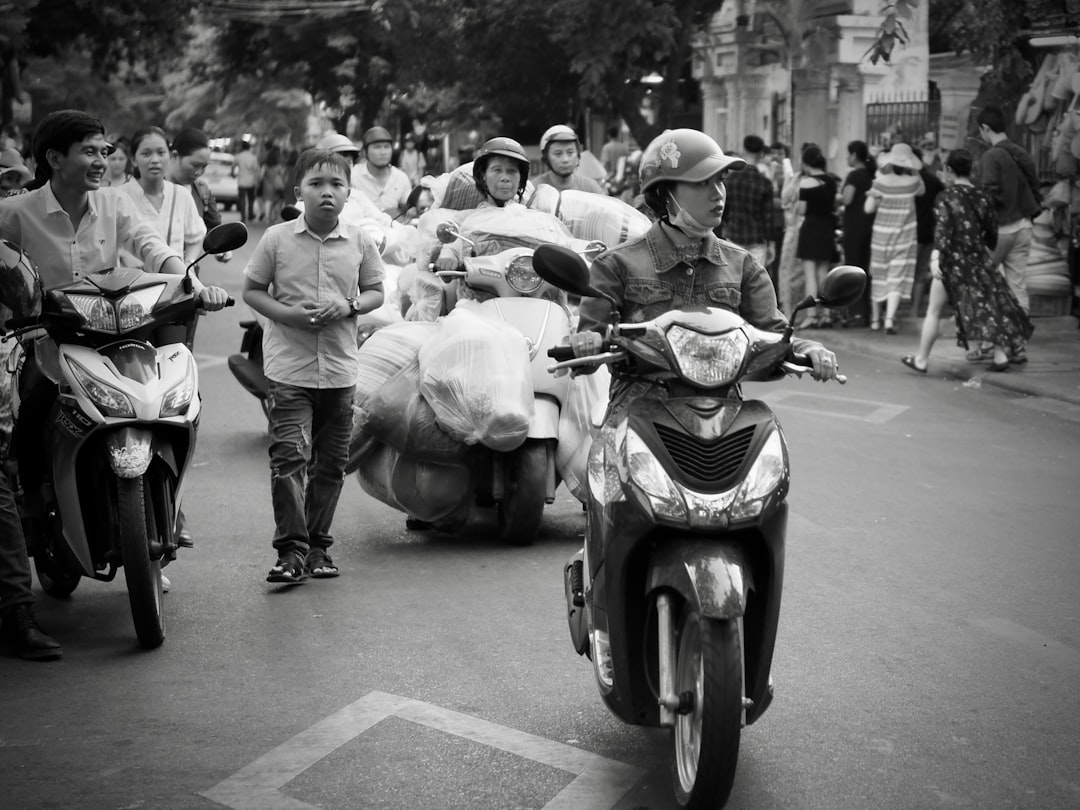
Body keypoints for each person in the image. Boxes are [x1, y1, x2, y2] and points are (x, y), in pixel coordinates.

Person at [0, 109, 229, 632]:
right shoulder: (14, 212)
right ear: (55, 159)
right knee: (30, 415)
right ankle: (33, 509)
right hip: (47, 343)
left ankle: (168, 499)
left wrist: (189, 284)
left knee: (174, 398)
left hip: (116, 334)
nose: (102, 160)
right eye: (90, 151)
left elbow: (154, 248)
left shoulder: (114, 204)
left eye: (105, 151)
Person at [571, 128, 839, 379]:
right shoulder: (615, 265)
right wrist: (586, 343)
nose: (718, 194)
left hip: (723, 410)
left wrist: (810, 349)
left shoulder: (743, 265)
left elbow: (776, 335)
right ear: (665, 193)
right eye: (701, 183)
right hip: (638, 409)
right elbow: (588, 343)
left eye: (720, 181)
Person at [242, 148, 385, 584]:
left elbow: (375, 292)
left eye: (336, 185)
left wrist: (349, 306)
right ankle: (290, 551)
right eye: (317, 184)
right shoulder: (276, 238)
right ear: (298, 192)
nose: (327, 193)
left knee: (330, 463)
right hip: (290, 371)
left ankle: (318, 546)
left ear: (348, 193)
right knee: (289, 458)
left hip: (340, 372)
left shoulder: (360, 241)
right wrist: (285, 314)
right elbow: (252, 289)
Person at [901, 148, 1033, 374]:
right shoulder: (983, 197)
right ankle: (1000, 356)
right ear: (971, 169)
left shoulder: (946, 197)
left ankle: (921, 359)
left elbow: (942, 230)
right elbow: (992, 233)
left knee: (933, 311)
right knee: (989, 307)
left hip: (951, 261)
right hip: (978, 260)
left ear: (949, 170)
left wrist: (935, 257)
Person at [973, 105, 1042, 364]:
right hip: (1024, 226)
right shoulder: (1020, 152)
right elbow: (1035, 188)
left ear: (985, 129)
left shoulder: (992, 156)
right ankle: (1018, 344)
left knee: (983, 284)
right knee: (1017, 286)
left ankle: (990, 344)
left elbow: (989, 193)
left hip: (1001, 229)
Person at [118, 126, 206, 268]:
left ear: (169, 156)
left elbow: (196, 237)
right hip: (134, 286)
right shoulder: (119, 198)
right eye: (146, 154)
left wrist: (188, 264)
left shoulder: (181, 195)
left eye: (161, 152)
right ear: (133, 159)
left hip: (176, 284)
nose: (155, 160)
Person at [865, 142, 924, 334]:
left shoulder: (880, 181)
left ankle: (875, 320)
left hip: (881, 237)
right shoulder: (913, 183)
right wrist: (914, 171)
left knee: (879, 276)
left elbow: (868, 208)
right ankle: (889, 320)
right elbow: (922, 190)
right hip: (904, 238)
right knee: (896, 278)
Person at [167, 127, 231, 263]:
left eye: (204, 166)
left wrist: (222, 247)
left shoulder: (202, 191)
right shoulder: (149, 189)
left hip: (187, 274)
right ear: (174, 156)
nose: (198, 172)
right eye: (194, 165)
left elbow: (215, 228)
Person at [794, 144, 839, 328]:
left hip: (811, 228)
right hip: (827, 227)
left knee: (810, 274)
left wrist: (797, 205)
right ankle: (827, 314)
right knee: (824, 274)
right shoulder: (831, 181)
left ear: (806, 163)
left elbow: (802, 210)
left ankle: (812, 315)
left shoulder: (806, 182)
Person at [721, 134, 776, 271]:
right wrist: (772, 244)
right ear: (761, 154)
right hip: (757, 238)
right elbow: (768, 217)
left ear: (744, 151)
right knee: (755, 282)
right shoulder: (764, 183)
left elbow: (724, 209)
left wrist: (725, 227)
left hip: (734, 235)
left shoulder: (730, 181)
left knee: (734, 278)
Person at [840, 140, 876, 326]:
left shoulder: (854, 175)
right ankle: (867, 313)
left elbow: (847, 199)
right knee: (866, 269)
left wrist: (837, 196)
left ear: (854, 155)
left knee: (853, 269)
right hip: (870, 226)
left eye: (848, 154)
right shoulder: (871, 174)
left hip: (854, 227)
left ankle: (856, 314)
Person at [910, 146, 945, 321]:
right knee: (921, 274)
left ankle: (892, 314)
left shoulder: (907, 181)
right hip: (929, 232)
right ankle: (914, 312)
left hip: (909, 234)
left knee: (906, 273)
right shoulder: (933, 181)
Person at [353, 126, 411, 220]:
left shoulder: (401, 177)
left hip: (394, 229)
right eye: (377, 147)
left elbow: (409, 207)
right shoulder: (354, 176)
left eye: (387, 147)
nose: (383, 152)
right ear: (364, 152)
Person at [531, 125, 605, 194]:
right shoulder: (534, 190)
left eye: (570, 152)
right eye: (558, 154)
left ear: (578, 155)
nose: (565, 160)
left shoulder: (591, 189)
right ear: (546, 158)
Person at [259, 141, 286, 223]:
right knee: (276, 201)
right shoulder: (278, 166)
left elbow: (261, 175)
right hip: (276, 185)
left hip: (267, 185)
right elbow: (282, 173)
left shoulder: (265, 165)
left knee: (268, 201)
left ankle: (267, 217)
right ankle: (274, 216)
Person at [235, 139, 261, 223]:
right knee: (251, 199)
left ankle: (243, 216)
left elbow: (232, 167)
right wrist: (257, 180)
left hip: (241, 181)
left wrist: (232, 173)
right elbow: (257, 169)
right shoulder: (253, 157)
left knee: (242, 199)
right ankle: (250, 214)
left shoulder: (239, 156)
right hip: (251, 181)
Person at [599, 124, 629, 190]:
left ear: (608, 135)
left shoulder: (606, 148)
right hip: (622, 181)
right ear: (617, 134)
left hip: (610, 180)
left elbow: (604, 163)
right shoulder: (623, 148)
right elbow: (627, 164)